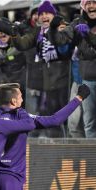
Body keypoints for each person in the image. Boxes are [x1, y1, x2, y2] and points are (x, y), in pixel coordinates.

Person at [0, 1, 71, 137]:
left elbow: (65, 48)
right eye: (40, 13)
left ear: (54, 14)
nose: (43, 16)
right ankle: (42, 151)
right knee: (43, 122)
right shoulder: (37, 32)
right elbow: (20, 42)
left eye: (47, 13)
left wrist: (56, 29)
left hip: (63, 82)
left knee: (66, 120)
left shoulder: (64, 28)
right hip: (43, 84)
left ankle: (69, 152)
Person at [0, 83, 90, 190]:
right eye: (20, 97)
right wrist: (78, 98)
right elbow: (55, 120)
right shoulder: (24, 119)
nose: (22, 100)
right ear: (13, 101)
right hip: (11, 178)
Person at [49, 0, 96, 137]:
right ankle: (91, 158)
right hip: (88, 80)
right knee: (89, 123)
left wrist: (89, 35)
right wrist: (53, 29)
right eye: (88, 3)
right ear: (83, 6)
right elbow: (60, 40)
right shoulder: (77, 23)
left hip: (86, 79)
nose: (91, 6)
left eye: (94, 2)